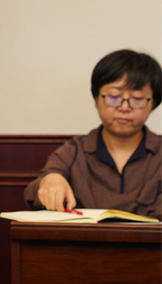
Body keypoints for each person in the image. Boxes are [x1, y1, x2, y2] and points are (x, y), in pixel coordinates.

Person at [24, 49, 161, 219]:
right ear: (97, 99)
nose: (124, 107)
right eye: (114, 97)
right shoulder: (74, 151)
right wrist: (50, 180)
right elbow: (32, 193)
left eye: (137, 99)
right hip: (84, 237)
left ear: (153, 103)